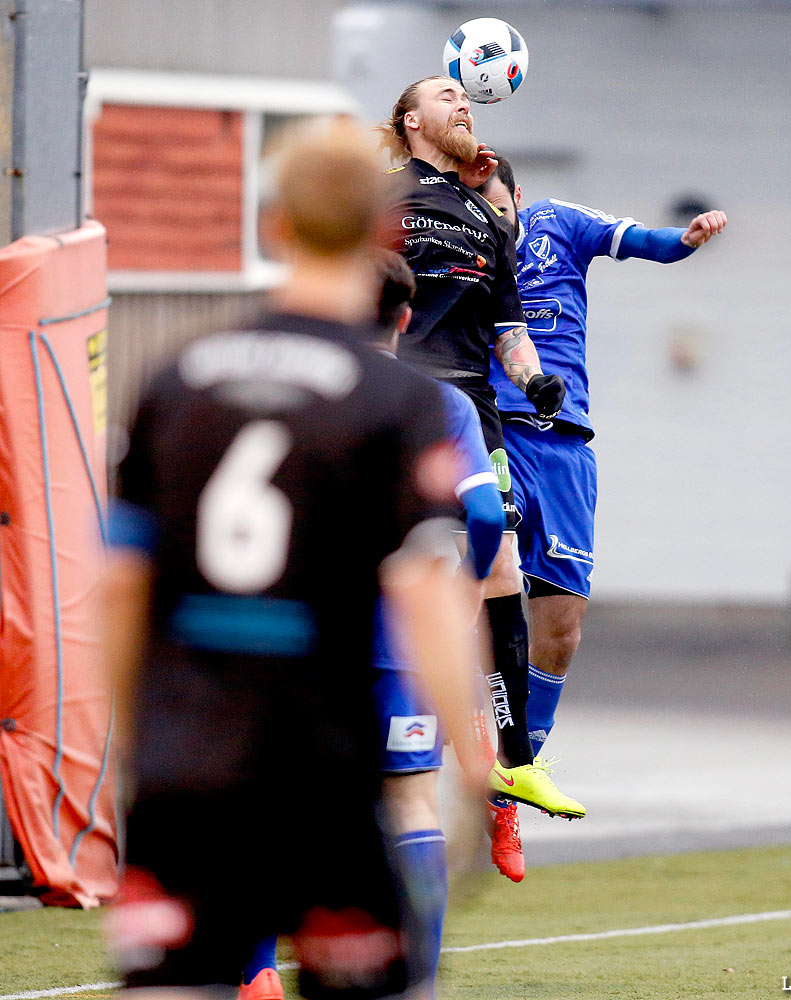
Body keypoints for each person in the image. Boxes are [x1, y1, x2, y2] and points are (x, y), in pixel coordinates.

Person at [102, 118, 485, 1000]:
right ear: (382, 231)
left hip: (189, 771)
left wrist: (136, 750)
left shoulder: (177, 378)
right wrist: (472, 759)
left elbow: (119, 585)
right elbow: (428, 590)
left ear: (274, 223)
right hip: (324, 774)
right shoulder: (397, 400)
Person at [238, 252, 505, 1000]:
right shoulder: (432, 400)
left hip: (288, 635)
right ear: (404, 316)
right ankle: (411, 973)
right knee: (410, 802)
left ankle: (255, 973)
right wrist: (469, 584)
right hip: (395, 639)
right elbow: (484, 511)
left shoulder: (280, 390)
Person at [478, 157, 727, 879]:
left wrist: (686, 238)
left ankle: (511, 781)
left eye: (500, 208)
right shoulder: (461, 246)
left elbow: (650, 244)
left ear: (518, 198)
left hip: (565, 449)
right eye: (480, 209)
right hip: (490, 430)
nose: (493, 220)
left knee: (560, 627)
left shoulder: (562, 224)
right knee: (474, 589)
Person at [376, 77, 584, 824]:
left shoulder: (486, 218)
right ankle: (393, 713)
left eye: (468, 96)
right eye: (443, 95)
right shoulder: (385, 191)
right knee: (398, 556)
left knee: (498, 564)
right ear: (410, 121)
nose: (462, 103)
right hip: (401, 392)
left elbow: (508, 329)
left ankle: (514, 762)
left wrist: (535, 381)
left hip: (475, 408)